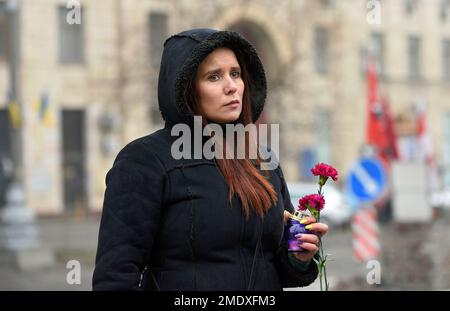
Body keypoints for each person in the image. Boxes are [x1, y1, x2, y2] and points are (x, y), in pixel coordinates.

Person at [92, 28, 328, 291]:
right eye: (213, 77)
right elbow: (115, 276)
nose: (231, 86)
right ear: (185, 89)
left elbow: (276, 266)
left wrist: (299, 257)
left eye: (235, 74)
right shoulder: (145, 160)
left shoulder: (261, 158)